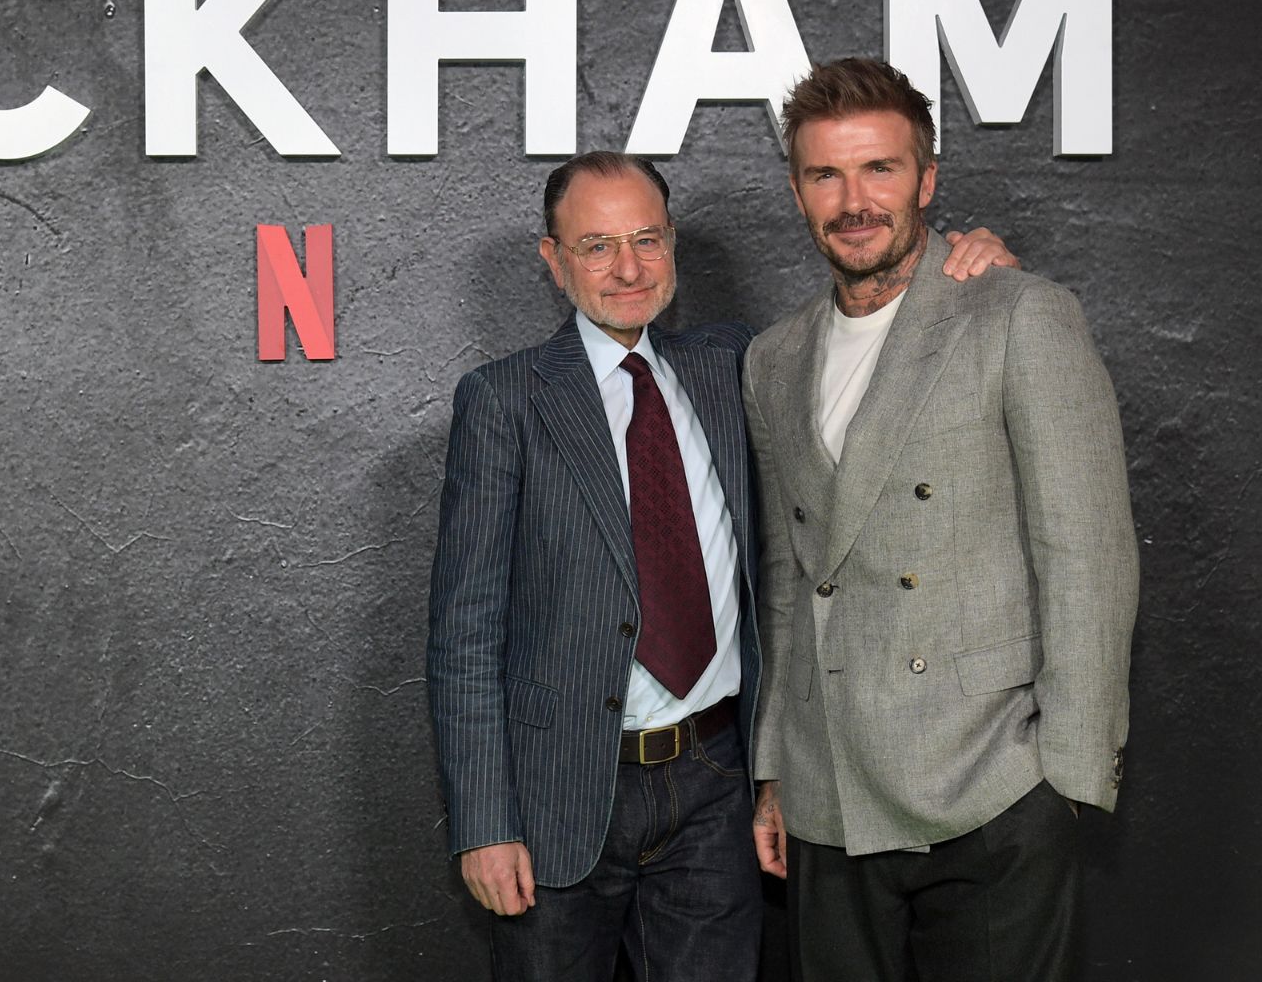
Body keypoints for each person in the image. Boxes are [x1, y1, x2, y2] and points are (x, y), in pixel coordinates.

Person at [427, 150, 1014, 981]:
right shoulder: (505, 400)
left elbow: (865, 339)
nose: (627, 268)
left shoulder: (735, 364)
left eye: (647, 239)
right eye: (596, 246)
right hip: (559, 790)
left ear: (672, 245)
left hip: (713, 783)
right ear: (553, 260)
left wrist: (965, 267)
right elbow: (465, 631)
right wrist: (484, 822)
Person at [744, 58, 1137, 982]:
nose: (854, 201)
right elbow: (794, 580)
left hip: (990, 787)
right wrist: (776, 769)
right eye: (825, 175)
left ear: (927, 178)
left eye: (879, 169)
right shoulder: (772, 357)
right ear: (797, 190)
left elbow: (1088, 558)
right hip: (830, 789)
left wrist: (1064, 786)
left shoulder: (1016, 315)